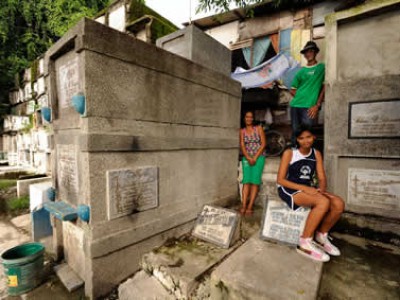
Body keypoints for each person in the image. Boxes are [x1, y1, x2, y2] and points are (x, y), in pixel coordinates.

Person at [276, 125, 344, 262]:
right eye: (301, 138)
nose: (306, 140)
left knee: (338, 203)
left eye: (308, 137)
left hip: (308, 188)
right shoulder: (290, 153)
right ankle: (304, 242)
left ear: (313, 137)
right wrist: (306, 189)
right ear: (297, 140)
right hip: (289, 188)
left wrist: (321, 190)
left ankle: (321, 236)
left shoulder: (316, 153)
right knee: (323, 202)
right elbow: (280, 180)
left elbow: (322, 177)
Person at [290, 41, 325, 144]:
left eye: (311, 51)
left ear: (315, 52)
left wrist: (317, 105)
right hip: (295, 105)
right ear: (304, 55)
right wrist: (301, 97)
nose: (308, 54)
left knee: (307, 132)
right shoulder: (301, 71)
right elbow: (292, 90)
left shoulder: (322, 68)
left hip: (309, 107)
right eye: (306, 52)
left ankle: (306, 156)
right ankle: (294, 154)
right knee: (296, 132)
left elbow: (324, 87)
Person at [239, 111, 266, 216]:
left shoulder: (258, 128)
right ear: (244, 118)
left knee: (255, 181)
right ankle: (244, 205)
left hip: (259, 157)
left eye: (251, 117)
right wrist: (248, 157)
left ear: (253, 119)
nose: (249, 119)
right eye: (247, 117)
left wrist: (254, 157)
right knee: (246, 181)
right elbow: (242, 145)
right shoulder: (242, 131)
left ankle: (250, 206)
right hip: (246, 158)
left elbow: (263, 144)